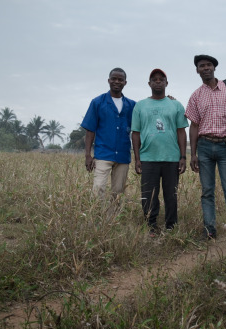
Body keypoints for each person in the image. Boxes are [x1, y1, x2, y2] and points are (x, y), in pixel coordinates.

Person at [185, 54, 226, 241]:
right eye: (201, 66)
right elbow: (194, 126)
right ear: (197, 70)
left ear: (214, 68)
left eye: (208, 65)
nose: (205, 68)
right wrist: (192, 154)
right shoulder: (196, 95)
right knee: (207, 191)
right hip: (203, 146)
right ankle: (209, 232)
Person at [131, 69, 188, 235]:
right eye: (154, 79)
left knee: (171, 195)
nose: (158, 82)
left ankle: (171, 226)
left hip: (171, 158)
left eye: (161, 79)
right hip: (148, 158)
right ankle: (151, 226)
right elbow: (135, 133)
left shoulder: (175, 105)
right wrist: (137, 158)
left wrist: (183, 156)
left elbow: (181, 131)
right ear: (149, 84)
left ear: (166, 83)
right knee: (149, 195)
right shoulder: (140, 106)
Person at [81, 68, 135, 199]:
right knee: (98, 189)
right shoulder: (98, 102)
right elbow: (90, 130)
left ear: (125, 82)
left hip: (122, 155)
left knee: (117, 192)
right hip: (103, 154)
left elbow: (138, 129)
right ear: (108, 81)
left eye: (120, 79)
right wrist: (88, 155)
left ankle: (112, 219)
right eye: (114, 79)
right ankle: (98, 218)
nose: (117, 82)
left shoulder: (132, 105)